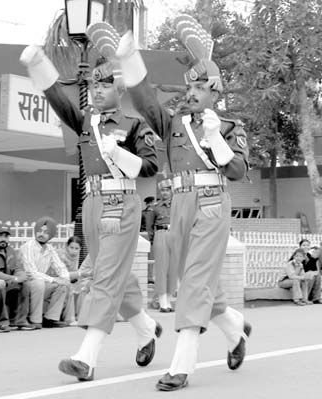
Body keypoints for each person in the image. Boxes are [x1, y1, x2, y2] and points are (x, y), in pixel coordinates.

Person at [111, 14, 251, 391]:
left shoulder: (228, 127)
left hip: (210, 203)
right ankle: (235, 329)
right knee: (199, 283)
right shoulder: (172, 122)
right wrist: (129, 59)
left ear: (215, 93)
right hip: (180, 204)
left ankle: (182, 366)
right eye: (189, 87)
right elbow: (144, 98)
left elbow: (237, 171)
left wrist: (216, 139)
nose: (190, 93)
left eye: (200, 88)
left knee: (193, 286)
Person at [20, 45, 161, 382]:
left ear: (120, 88)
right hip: (93, 204)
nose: (98, 90)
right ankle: (146, 329)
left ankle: (86, 357)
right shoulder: (87, 121)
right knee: (111, 276)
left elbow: (151, 167)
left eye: (105, 84)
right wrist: (38, 64)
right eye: (94, 85)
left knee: (105, 279)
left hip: (121, 204)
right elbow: (59, 100)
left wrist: (120, 155)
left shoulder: (133, 124)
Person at [18, 217, 76, 328]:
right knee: (39, 283)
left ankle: (50, 318)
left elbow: (60, 267)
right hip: (27, 282)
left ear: (51, 235)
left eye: (46, 232)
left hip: (42, 282)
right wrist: (54, 279)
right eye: (39, 231)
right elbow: (32, 272)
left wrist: (65, 279)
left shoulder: (50, 249)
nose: (41, 234)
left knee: (62, 286)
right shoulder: (28, 247)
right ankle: (35, 320)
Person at [0, 223, 35, 331]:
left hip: (8, 283)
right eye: (0, 235)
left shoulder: (11, 250)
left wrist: (21, 277)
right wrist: (14, 279)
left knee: (25, 285)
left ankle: (20, 321)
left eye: (6, 236)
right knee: (1, 284)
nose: (3, 239)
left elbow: (18, 268)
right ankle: (2, 322)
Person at [150, 179, 177, 312]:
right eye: (162, 190)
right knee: (161, 269)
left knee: (173, 269)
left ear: (172, 190)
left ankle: (169, 300)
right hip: (161, 233)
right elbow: (150, 227)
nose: (165, 193)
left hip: (175, 235)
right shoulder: (155, 207)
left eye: (167, 190)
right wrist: (152, 240)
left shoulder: (177, 205)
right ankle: (162, 302)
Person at [56, 236, 93, 320]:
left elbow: (75, 273)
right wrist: (80, 274)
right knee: (70, 287)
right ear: (66, 246)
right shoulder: (60, 256)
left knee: (82, 286)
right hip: (57, 278)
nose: (74, 251)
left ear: (80, 249)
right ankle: (70, 318)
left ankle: (81, 315)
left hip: (70, 279)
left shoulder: (76, 257)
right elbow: (62, 274)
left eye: (77, 248)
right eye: (71, 247)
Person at [141, 196, 156, 284]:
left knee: (151, 258)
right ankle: (146, 277)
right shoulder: (143, 213)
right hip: (145, 236)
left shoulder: (154, 213)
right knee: (145, 257)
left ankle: (149, 277)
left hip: (152, 236)